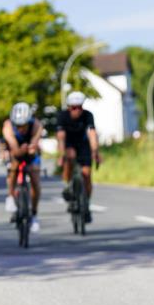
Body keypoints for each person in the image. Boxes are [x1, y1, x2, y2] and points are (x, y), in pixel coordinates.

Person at [56, 91, 100, 222]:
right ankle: (68, 184)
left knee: (86, 174)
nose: (77, 110)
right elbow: (61, 137)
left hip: (83, 144)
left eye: (80, 107)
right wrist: (61, 155)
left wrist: (95, 151)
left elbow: (92, 134)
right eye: (74, 107)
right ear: (69, 107)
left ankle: (86, 204)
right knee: (69, 156)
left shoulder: (88, 115)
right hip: (68, 144)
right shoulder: (62, 116)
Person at [3, 103, 43, 233]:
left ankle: (34, 214)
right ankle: (10, 197)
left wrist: (31, 148)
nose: (21, 129)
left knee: (35, 177)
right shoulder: (8, 127)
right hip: (16, 150)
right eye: (18, 125)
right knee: (13, 168)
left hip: (31, 151)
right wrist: (20, 150)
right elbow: (14, 149)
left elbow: (34, 145)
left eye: (24, 125)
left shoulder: (36, 125)